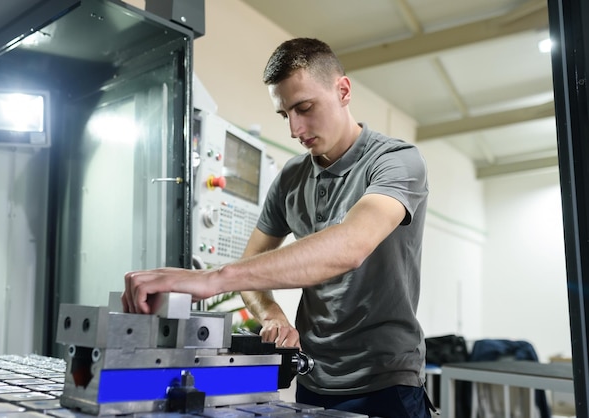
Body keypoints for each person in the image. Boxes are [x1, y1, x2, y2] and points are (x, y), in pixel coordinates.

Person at [123, 38, 431, 418]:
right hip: (312, 378)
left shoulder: (396, 161)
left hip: (387, 384)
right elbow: (252, 267)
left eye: (304, 107)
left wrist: (216, 279)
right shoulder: (291, 177)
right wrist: (271, 314)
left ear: (343, 91)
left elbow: (351, 246)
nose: (295, 129)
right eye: (285, 114)